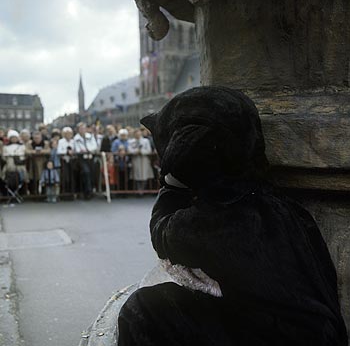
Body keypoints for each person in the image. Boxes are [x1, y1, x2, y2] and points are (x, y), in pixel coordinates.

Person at [118, 87, 348, 346]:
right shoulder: (280, 205)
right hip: (324, 334)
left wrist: (171, 186)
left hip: (280, 337)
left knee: (142, 310)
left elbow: (161, 233)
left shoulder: (211, 220)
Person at [74, 122, 98, 199]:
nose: (83, 130)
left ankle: (91, 190)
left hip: (90, 157)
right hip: (82, 158)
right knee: (86, 172)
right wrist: (81, 150)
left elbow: (94, 146)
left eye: (84, 128)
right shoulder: (76, 138)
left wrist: (88, 150)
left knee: (92, 173)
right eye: (81, 129)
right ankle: (87, 191)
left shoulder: (90, 136)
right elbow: (77, 148)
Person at [57, 127, 75, 193]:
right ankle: (64, 192)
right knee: (65, 177)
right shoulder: (61, 141)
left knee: (72, 177)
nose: (68, 135)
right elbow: (59, 151)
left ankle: (72, 192)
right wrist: (67, 152)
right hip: (64, 161)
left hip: (72, 161)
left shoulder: (73, 141)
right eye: (66, 134)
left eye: (70, 134)